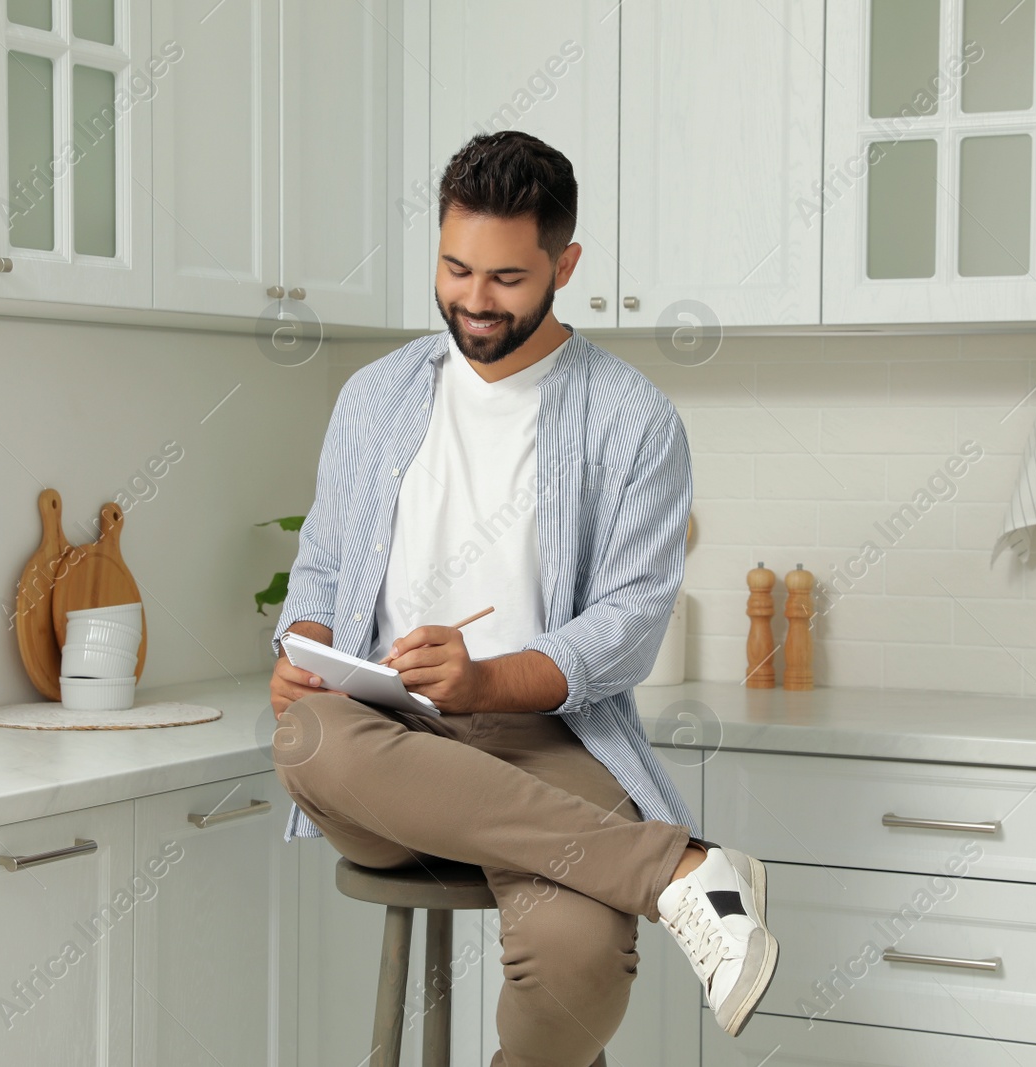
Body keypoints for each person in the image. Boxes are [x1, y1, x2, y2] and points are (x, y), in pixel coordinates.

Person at [267, 130, 777, 1065]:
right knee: (307, 737)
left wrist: (486, 680)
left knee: (581, 957)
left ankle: (645, 873)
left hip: (548, 741)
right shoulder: (374, 398)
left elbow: (627, 629)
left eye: (505, 278)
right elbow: (322, 569)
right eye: (456, 268)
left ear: (564, 263)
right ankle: (682, 870)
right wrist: (302, 654)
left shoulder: (631, 418)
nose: (472, 299)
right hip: (382, 741)